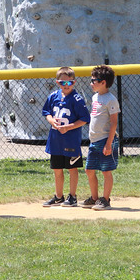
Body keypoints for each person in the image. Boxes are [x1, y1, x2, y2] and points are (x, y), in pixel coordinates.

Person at [42, 66, 90, 207]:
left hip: (70, 140)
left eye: (69, 82)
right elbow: (47, 112)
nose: (66, 85)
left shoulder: (77, 99)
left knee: (72, 169)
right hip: (56, 140)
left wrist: (68, 127)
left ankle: (73, 196)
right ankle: (58, 196)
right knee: (57, 169)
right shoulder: (53, 96)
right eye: (62, 83)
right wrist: (51, 120)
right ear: (57, 83)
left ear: (74, 82)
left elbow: (84, 119)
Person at [80, 65, 119, 211]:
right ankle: (95, 198)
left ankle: (106, 199)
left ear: (103, 82)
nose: (91, 83)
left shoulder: (111, 99)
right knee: (89, 170)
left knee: (105, 171)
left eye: (94, 80)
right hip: (94, 140)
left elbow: (114, 122)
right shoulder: (95, 96)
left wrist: (108, 144)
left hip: (105, 140)